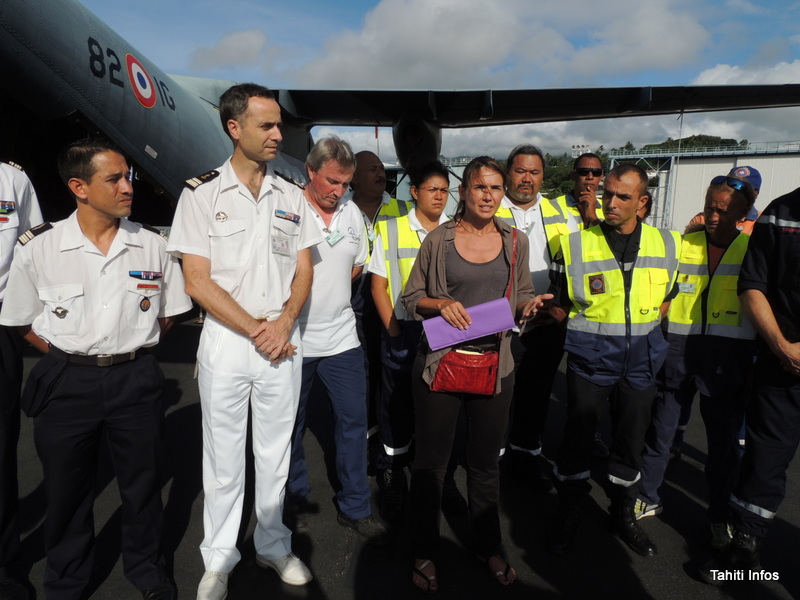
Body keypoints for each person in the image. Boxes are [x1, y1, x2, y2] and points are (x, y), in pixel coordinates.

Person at [0, 138, 191, 600]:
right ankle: (67, 581)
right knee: (66, 491)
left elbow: (168, 315)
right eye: (115, 179)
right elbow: (22, 321)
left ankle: (147, 571)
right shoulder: (39, 247)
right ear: (78, 187)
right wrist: (71, 356)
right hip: (67, 379)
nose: (128, 187)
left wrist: (129, 348)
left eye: (130, 177)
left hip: (136, 376)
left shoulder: (153, 245)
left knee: (142, 485)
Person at [166, 84, 322, 598]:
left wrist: (283, 324)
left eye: (278, 125)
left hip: (281, 339)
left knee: (276, 452)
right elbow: (197, 281)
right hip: (231, 342)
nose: (279, 134)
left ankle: (274, 546)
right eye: (267, 126)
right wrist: (260, 330)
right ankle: (219, 557)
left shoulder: (290, 193)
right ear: (235, 128)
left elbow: (304, 270)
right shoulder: (201, 193)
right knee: (224, 456)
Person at [402, 156, 550, 592]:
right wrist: (439, 304)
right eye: (481, 187)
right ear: (464, 191)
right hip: (441, 363)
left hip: (495, 365)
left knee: (486, 465)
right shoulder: (437, 240)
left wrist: (531, 306)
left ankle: (490, 547)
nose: (489, 195)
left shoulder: (516, 241)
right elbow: (411, 298)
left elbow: (521, 296)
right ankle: (425, 550)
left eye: (497, 188)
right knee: (431, 464)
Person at [546, 164, 680, 558]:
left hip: (640, 365)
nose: (611, 202)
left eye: (623, 197)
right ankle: (568, 509)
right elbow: (559, 303)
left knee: (629, 444)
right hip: (591, 363)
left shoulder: (667, 244)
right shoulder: (573, 245)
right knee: (577, 441)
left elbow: (667, 298)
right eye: (607, 194)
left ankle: (622, 513)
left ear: (643, 203)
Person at [635, 177, 757, 552]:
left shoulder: (752, 249)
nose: (714, 216)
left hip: (727, 359)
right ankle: (648, 495)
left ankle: (720, 515)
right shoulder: (684, 244)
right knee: (662, 430)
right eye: (710, 206)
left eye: (724, 210)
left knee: (722, 448)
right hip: (678, 350)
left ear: (743, 214)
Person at [286, 137, 388, 543]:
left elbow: (358, 266)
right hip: (292, 339)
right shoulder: (286, 210)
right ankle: (293, 502)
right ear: (310, 172)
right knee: (289, 426)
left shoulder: (351, 214)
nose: (337, 191)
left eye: (345, 184)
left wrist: (330, 298)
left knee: (354, 421)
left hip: (342, 337)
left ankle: (356, 506)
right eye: (331, 181)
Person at [698, 184, 800, 585]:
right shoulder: (781, 213)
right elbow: (752, 284)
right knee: (764, 459)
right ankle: (745, 546)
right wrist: (782, 346)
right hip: (783, 363)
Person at [496, 145, 597, 491]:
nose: (527, 179)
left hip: (545, 322)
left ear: (543, 176)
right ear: (508, 172)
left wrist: (564, 309)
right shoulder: (488, 208)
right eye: (520, 171)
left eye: (534, 172)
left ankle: (524, 455)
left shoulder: (560, 213)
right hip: (502, 322)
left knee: (535, 394)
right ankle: (489, 458)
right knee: (495, 394)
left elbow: (581, 264)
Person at [368, 161, 450, 522]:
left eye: (445, 190)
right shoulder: (391, 229)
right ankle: (391, 466)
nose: (439, 196)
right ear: (414, 192)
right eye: (432, 189)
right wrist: (393, 332)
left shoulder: (454, 231)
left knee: (435, 402)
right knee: (395, 402)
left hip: (443, 331)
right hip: (404, 327)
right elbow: (378, 286)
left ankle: (427, 468)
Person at [345, 151, 412, 472]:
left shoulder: (403, 210)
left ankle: (394, 442)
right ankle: (369, 439)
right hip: (352, 304)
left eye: (381, 169)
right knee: (362, 374)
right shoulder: (341, 210)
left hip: (390, 298)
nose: (380, 174)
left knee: (393, 375)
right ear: (353, 177)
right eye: (371, 169)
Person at [0, 161, 42, 600]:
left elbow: (32, 250)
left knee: (1, 452)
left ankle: (4, 565)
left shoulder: (12, 180)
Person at [550, 153, 605, 229]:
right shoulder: (553, 206)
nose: (590, 177)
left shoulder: (608, 207)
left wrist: (593, 217)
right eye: (583, 172)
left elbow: (614, 240)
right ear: (573, 175)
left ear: (601, 177)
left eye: (596, 172)